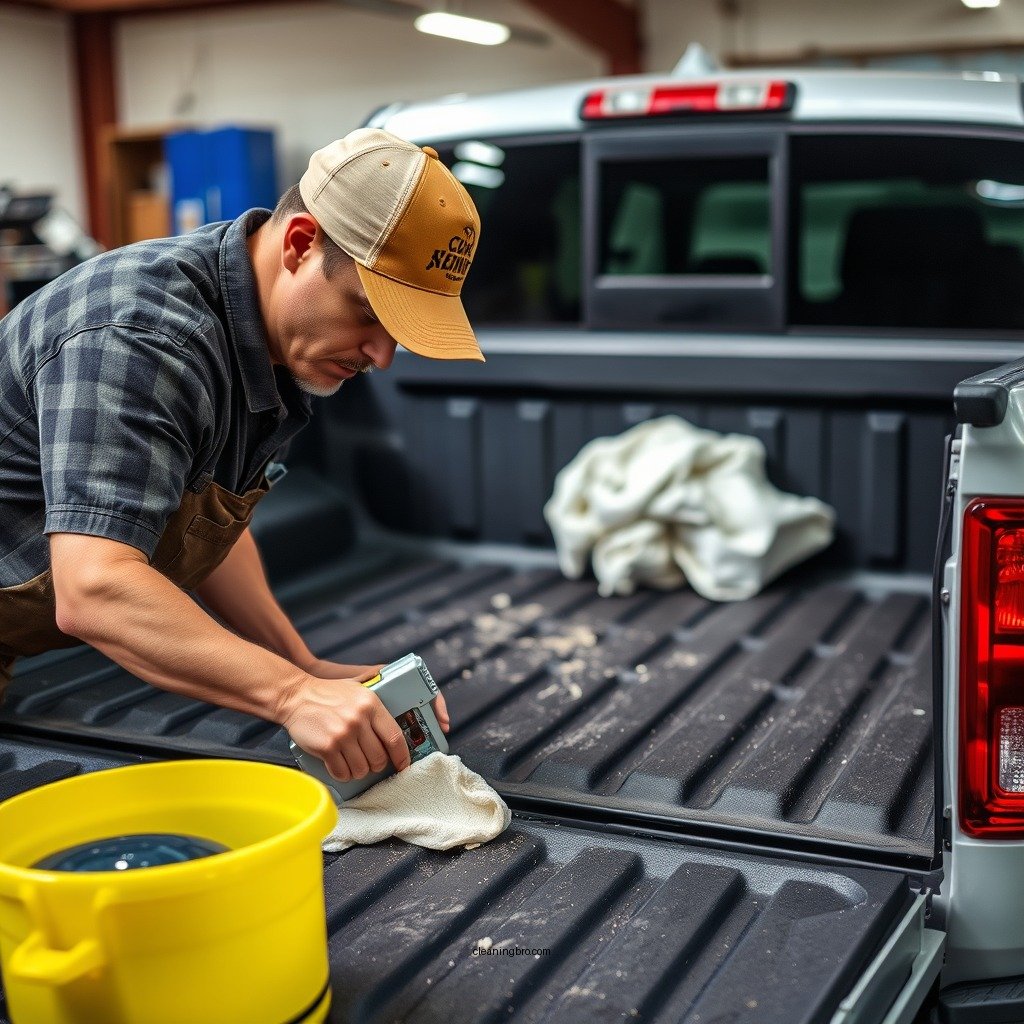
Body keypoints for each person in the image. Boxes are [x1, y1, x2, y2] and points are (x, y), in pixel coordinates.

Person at [0, 128, 484, 784]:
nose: (381, 356)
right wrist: (290, 695)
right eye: (369, 313)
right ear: (300, 244)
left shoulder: (274, 341)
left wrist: (299, 663)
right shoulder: (143, 340)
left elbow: (203, 518)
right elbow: (95, 588)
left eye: (401, 332)